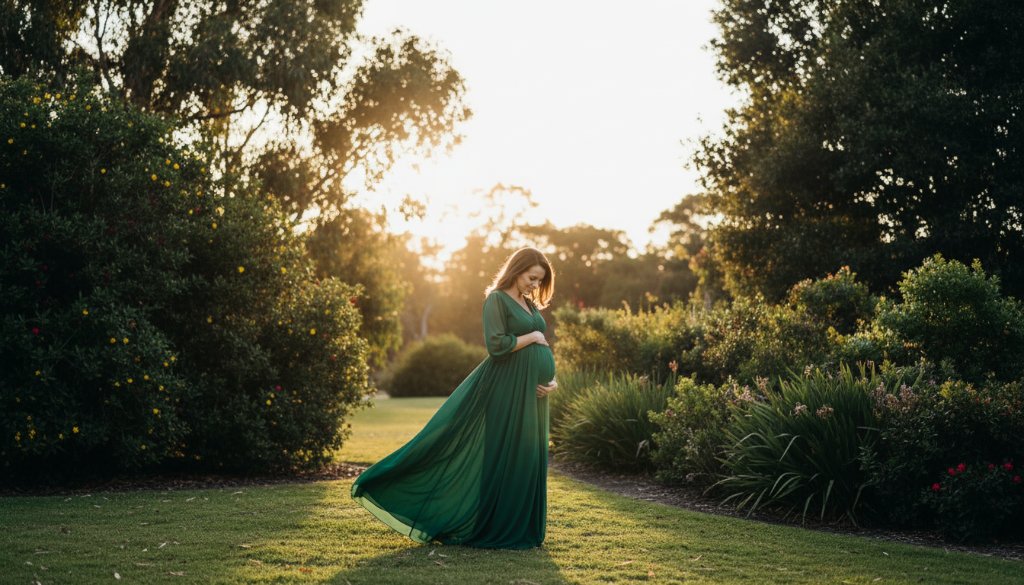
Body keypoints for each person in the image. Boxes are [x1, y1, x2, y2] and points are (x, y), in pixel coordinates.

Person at [350, 246, 558, 550]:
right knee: (508, 456)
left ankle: (525, 528)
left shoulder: (529, 305)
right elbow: (497, 346)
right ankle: (500, 528)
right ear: (517, 270)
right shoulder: (496, 300)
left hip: (535, 395)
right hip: (506, 390)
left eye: (539, 281)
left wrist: (551, 381)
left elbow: (541, 350)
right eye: (531, 277)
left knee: (529, 456)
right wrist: (533, 338)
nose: (534, 285)